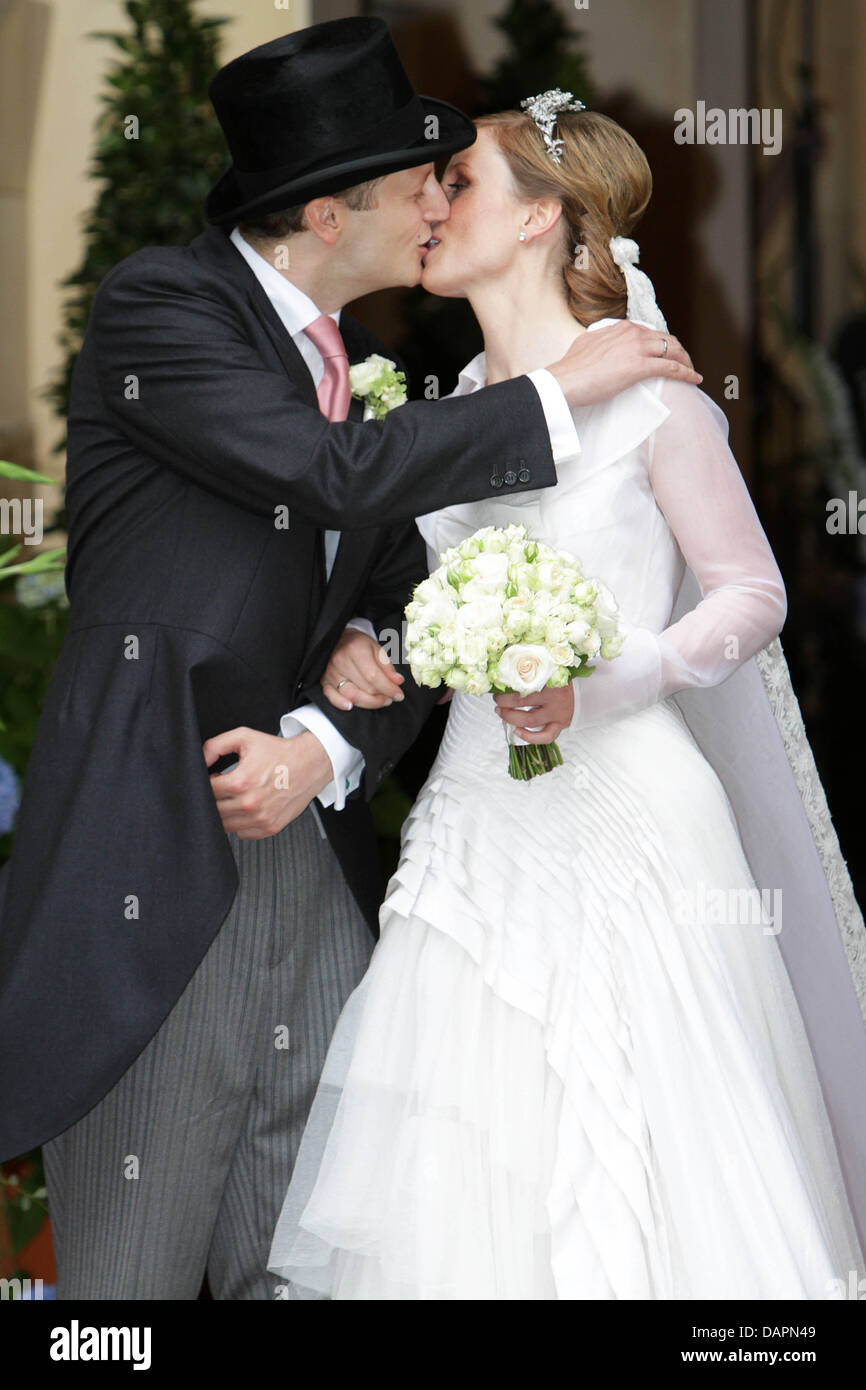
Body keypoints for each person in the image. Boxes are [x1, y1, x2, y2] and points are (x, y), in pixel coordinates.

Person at [0, 21, 697, 1300]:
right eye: (419, 181)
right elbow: (325, 475)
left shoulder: (367, 374)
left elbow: (409, 614)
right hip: (163, 861)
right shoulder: (163, 308)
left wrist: (322, 738)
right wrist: (563, 392)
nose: (439, 200)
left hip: (320, 878)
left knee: (311, 1270)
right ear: (331, 212)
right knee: (125, 1302)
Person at [267, 97, 866, 1299]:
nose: (431, 204)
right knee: (458, 1150)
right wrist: (361, 647)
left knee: (656, 1144)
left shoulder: (656, 399)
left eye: (461, 182)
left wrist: (614, 680)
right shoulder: (430, 421)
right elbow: (390, 594)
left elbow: (750, 595)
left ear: (539, 216)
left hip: (634, 822)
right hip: (476, 827)